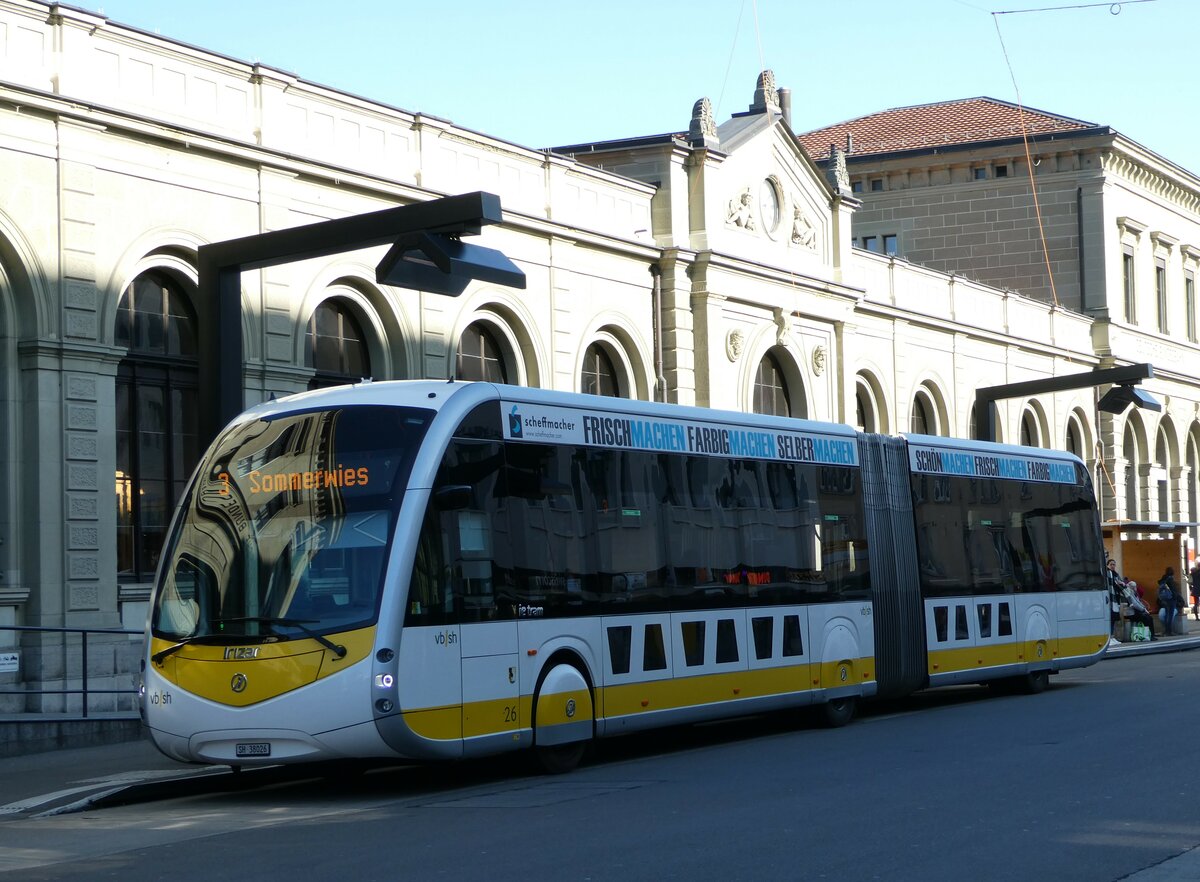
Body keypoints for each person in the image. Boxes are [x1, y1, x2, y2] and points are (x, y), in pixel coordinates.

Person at [1107, 558, 1126, 637]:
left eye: (1114, 564)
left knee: (1114, 618)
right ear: (1108, 565)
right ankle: (1110, 635)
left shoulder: (1116, 574)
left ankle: (1112, 635)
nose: (1112, 566)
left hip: (1116, 599)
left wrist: (1122, 584)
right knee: (1110, 618)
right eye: (1111, 564)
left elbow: (1121, 585)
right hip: (1109, 599)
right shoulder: (1108, 574)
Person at [1158, 567, 1180, 636]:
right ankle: (1168, 631)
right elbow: (1174, 590)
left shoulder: (1163, 579)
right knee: (1170, 616)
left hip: (1165, 599)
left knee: (1167, 615)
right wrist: (1175, 596)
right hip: (1171, 599)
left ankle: (1166, 631)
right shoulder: (1170, 579)